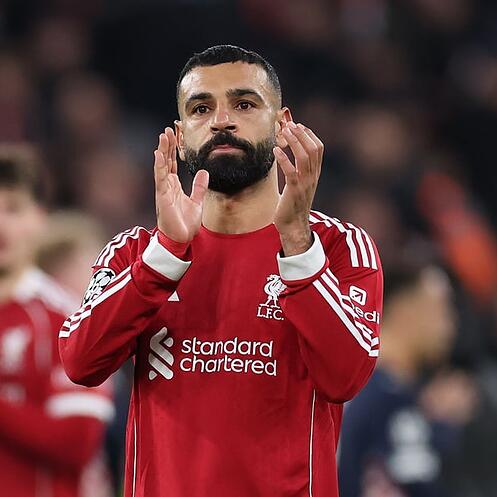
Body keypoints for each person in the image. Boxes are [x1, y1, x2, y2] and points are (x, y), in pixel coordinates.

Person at [59, 45, 383, 497]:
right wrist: (165, 256)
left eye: (244, 104)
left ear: (283, 124)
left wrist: (296, 242)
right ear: (180, 135)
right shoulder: (137, 252)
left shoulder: (336, 247)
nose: (221, 120)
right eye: (201, 108)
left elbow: (345, 377)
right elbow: (79, 361)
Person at [0, 145, 115, 497]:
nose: (1, 224)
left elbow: (77, 441)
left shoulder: (66, 319)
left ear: (40, 218)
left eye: (13, 209)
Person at [339, 265, 477, 497]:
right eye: (442, 309)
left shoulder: (395, 390)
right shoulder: (370, 392)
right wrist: (441, 429)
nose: (451, 324)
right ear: (404, 310)